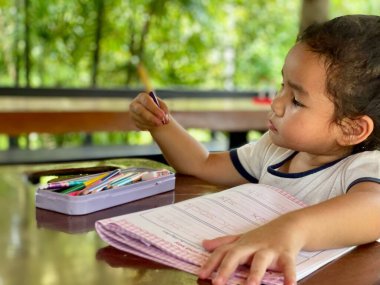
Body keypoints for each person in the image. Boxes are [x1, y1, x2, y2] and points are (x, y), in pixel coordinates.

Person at [129, 14, 380, 285]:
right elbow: (200, 164)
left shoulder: (365, 166)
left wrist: (289, 229)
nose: (276, 103)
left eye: (296, 99)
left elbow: (373, 208)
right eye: (282, 85)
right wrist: (161, 126)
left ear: (350, 129)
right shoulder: (273, 150)